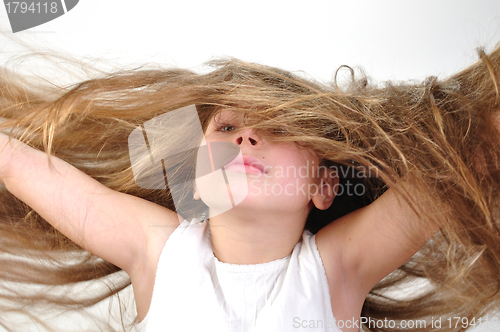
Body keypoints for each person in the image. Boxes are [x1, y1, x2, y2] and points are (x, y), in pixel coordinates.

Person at [0, 44, 499, 332]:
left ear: (324, 185)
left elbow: (467, 160)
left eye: (280, 129)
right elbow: (18, 166)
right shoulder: (160, 249)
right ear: (195, 179)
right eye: (224, 129)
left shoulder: (338, 267)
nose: (245, 136)